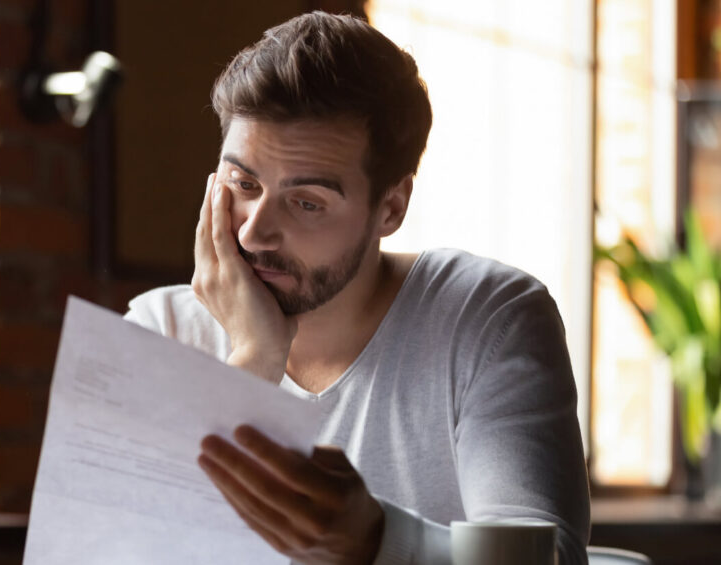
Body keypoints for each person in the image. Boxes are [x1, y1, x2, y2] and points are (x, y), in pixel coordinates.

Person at [123, 11, 590, 565]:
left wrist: (377, 542)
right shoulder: (161, 330)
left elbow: (550, 554)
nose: (253, 230)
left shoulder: (487, 317)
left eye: (307, 202)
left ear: (391, 207)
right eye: (243, 183)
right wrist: (255, 359)